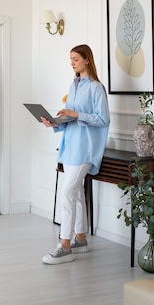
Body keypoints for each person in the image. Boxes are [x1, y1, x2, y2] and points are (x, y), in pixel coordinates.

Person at [41, 44, 110, 265]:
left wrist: (76, 113)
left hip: (85, 149)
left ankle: (65, 246)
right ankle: (81, 238)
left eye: (76, 58)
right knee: (77, 193)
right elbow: (71, 119)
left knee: (67, 194)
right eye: (70, 59)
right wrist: (54, 123)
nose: (72, 62)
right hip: (69, 146)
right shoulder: (74, 85)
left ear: (87, 60)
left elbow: (103, 119)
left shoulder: (96, 88)